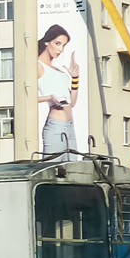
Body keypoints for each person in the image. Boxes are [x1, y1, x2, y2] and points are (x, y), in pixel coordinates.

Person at [36, 24, 80, 161]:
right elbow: (25, 97)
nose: (60, 49)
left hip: (70, 127)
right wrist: (48, 98)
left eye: (64, 45)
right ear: (47, 42)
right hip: (55, 127)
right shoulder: (37, 66)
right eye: (57, 43)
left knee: (73, 172)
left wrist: (75, 78)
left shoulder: (59, 70)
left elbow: (71, 103)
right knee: (52, 171)